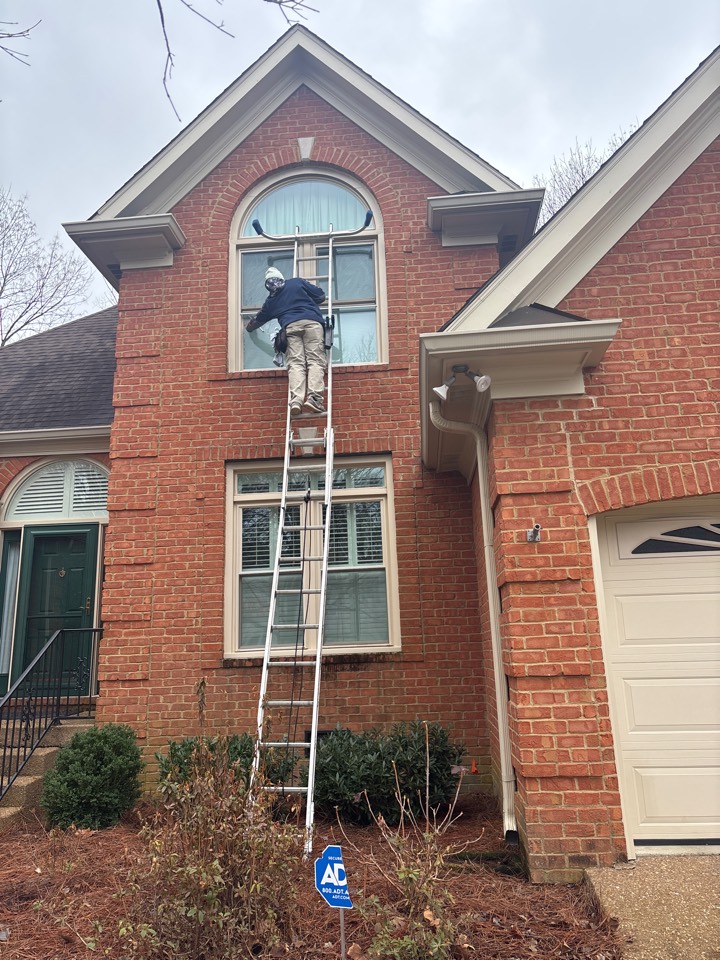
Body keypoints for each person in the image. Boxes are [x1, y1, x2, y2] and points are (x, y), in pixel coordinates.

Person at [246, 267, 328, 415]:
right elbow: (320, 296)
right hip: (312, 323)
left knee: (296, 364)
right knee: (315, 360)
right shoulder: (296, 283)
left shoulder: (271, 301)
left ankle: (296, 400)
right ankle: (314, 398)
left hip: (290, 327)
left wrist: (248, 327)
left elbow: (257, 321)